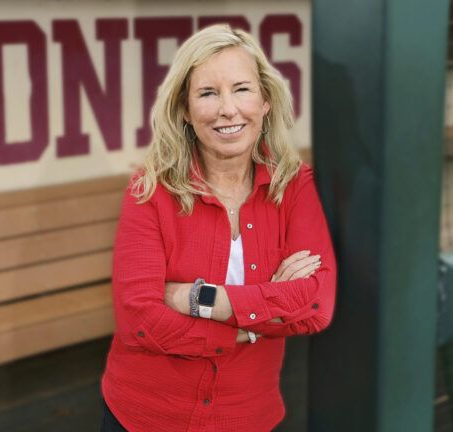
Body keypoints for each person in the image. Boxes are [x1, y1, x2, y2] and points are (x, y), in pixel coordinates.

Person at [100, 24, 336, 432]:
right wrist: (252, 326)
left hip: (248, 416)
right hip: (145, 417)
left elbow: (315, 305)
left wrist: (198, 299)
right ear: (186, 112)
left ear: (265, 101)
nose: (228, 109)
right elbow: (139, 319)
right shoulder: (151, 191)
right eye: (208, 93)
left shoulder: (294, 186)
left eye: (241, 89)